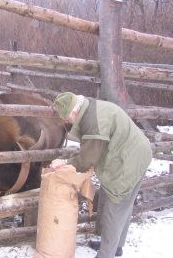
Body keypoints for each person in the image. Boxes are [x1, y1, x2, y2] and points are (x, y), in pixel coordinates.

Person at [51, 92, 152, 258]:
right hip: (135, 153)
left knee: (115, 208)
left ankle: (106, 254)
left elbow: (88, 159)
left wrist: (65, 163)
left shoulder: (92, 122)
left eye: (67, 118)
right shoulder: (89, 108)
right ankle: (115, 247)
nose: (67, 122)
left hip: (128, 161)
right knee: (124, 206)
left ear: (74, 112)